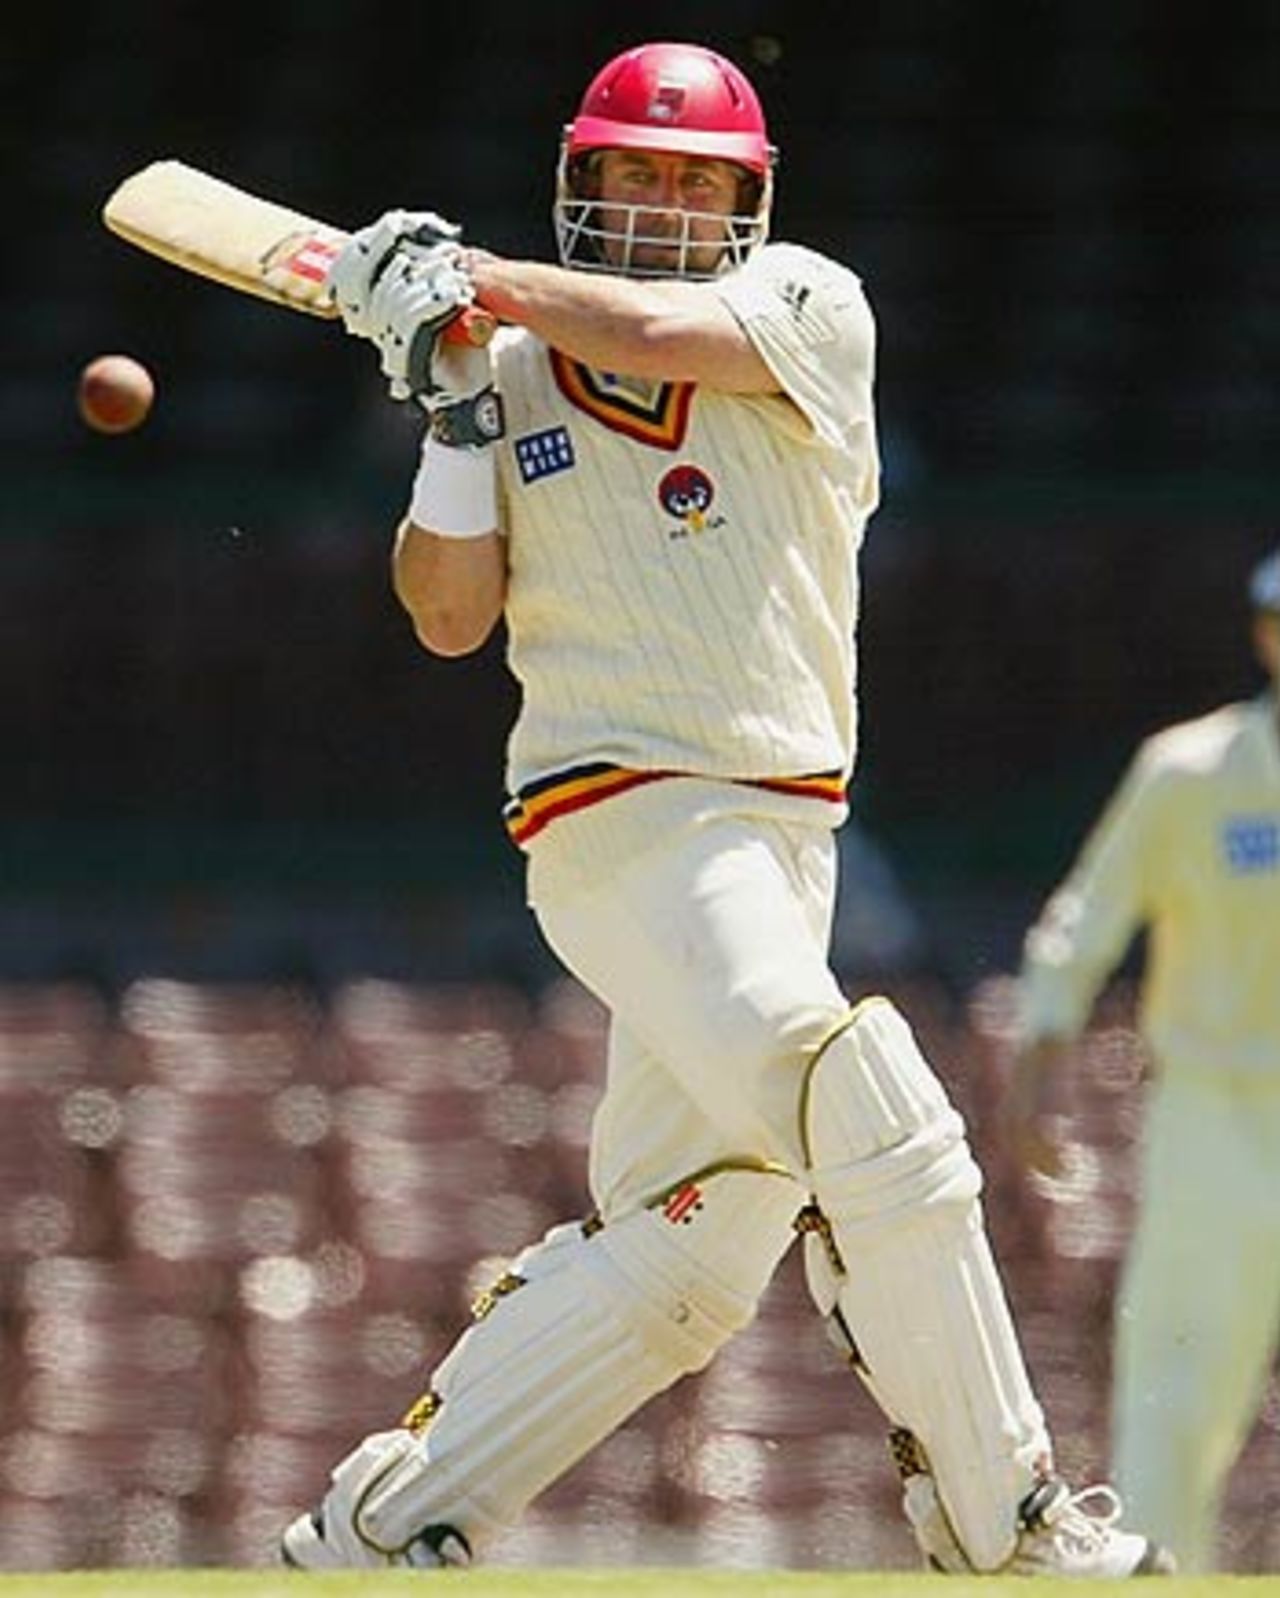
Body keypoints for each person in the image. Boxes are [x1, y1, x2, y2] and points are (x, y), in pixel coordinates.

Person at [280, 41, 1169, 1577]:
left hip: (782, 832)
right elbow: (443, 616)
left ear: (745, 206)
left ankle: (385, 1521)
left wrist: (467, 280)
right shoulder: (501, 368)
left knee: (697, 1240)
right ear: (588, 179)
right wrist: (446, 411)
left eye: (696, 182)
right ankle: (1010, 1522)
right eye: (635, 172)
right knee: (862, 1094)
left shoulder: (809, 310)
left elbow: (653, 328)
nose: (662, 203)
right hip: (621, 819)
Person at [1006, 546, 1280, 1572]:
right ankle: (1154, 1577)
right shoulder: (1189, 772)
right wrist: (1037, 1058)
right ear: (1264, 635)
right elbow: (1085, 916)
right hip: (1214, 1111)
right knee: (1178, 1380)